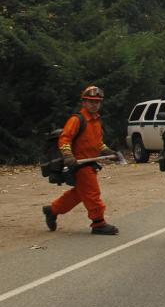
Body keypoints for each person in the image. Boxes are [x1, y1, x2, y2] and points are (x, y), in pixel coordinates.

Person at [42, 85, 119, 235]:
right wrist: (68, 156)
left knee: (79, 193)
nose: (94, 104)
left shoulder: (96, 120)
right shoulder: (77, 120)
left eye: (97, 102)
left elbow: (97, 142)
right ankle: (98, 223)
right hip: (79, 164)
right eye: (90, 101)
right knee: (92, 193)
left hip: (90, 163)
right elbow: (65, 139)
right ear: (83, 102)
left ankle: (52, 210)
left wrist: (108, 151)